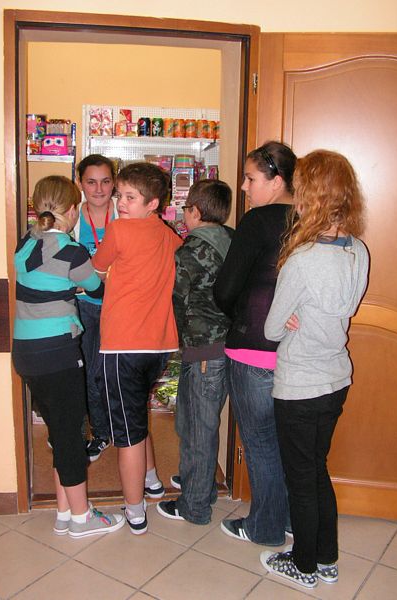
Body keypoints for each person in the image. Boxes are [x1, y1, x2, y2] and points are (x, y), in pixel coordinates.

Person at [261, 150, 369, 588]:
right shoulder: (358, 250)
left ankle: (303, 564)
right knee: (316, 469)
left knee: (301, 478)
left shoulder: (303, 259)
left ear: (311, 195)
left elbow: (271, 329)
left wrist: (291, 317)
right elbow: (345, 308)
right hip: (336, 378)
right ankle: (326, 558)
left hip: (300, 384)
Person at [12, 175, 124, 538]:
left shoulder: (26, 242)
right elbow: (96, 288)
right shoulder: (72, 251)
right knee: (72, 435)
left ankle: (63, 511)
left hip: (26, 352)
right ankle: (81, 517)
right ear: (73, 210)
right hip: (57, 351)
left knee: (60, 432)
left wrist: (65, 287)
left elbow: (44, 281)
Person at [92, 162, 183, 534]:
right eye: (120, 195)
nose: (121, 202)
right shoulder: (170, 236)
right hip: (159, 345)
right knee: (137, 413)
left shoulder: (119, 229)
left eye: (130, 197)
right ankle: (152, 480)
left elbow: (97, 268)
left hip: (122, 346)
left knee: (127, 431)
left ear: (153, 203)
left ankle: (135, 511)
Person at [213, 141, 297, 545]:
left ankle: (264, 527)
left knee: (261, 442)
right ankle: (290, 519)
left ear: (276, 181)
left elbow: (226, 288)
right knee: (288, 443)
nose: (244, 187)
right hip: (295, 352)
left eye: (250, 178)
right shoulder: (309, 219)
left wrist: (239, 315)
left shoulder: (258, 220)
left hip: (254, 346)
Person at [156, 179, 233, 525]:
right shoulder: (232, 239)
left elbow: (176, 299)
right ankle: (198, 482)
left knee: (198, 428)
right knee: (196, 421)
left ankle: (195, 505)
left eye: (186, 208)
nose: (183, 214)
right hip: (226, 345)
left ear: (196, 212)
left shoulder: (190, 252)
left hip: (203, 349)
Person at [74, 154, 118, 462]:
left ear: (114, 183)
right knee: (90, 373)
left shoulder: (126, 213)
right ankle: (101, 433)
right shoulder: (72, 219)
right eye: (91, 182)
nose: (99, 189)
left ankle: (122, 428)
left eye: (105, 181)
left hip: (121, 308)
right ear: (80, 183)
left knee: (118, 373)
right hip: (85, 306)